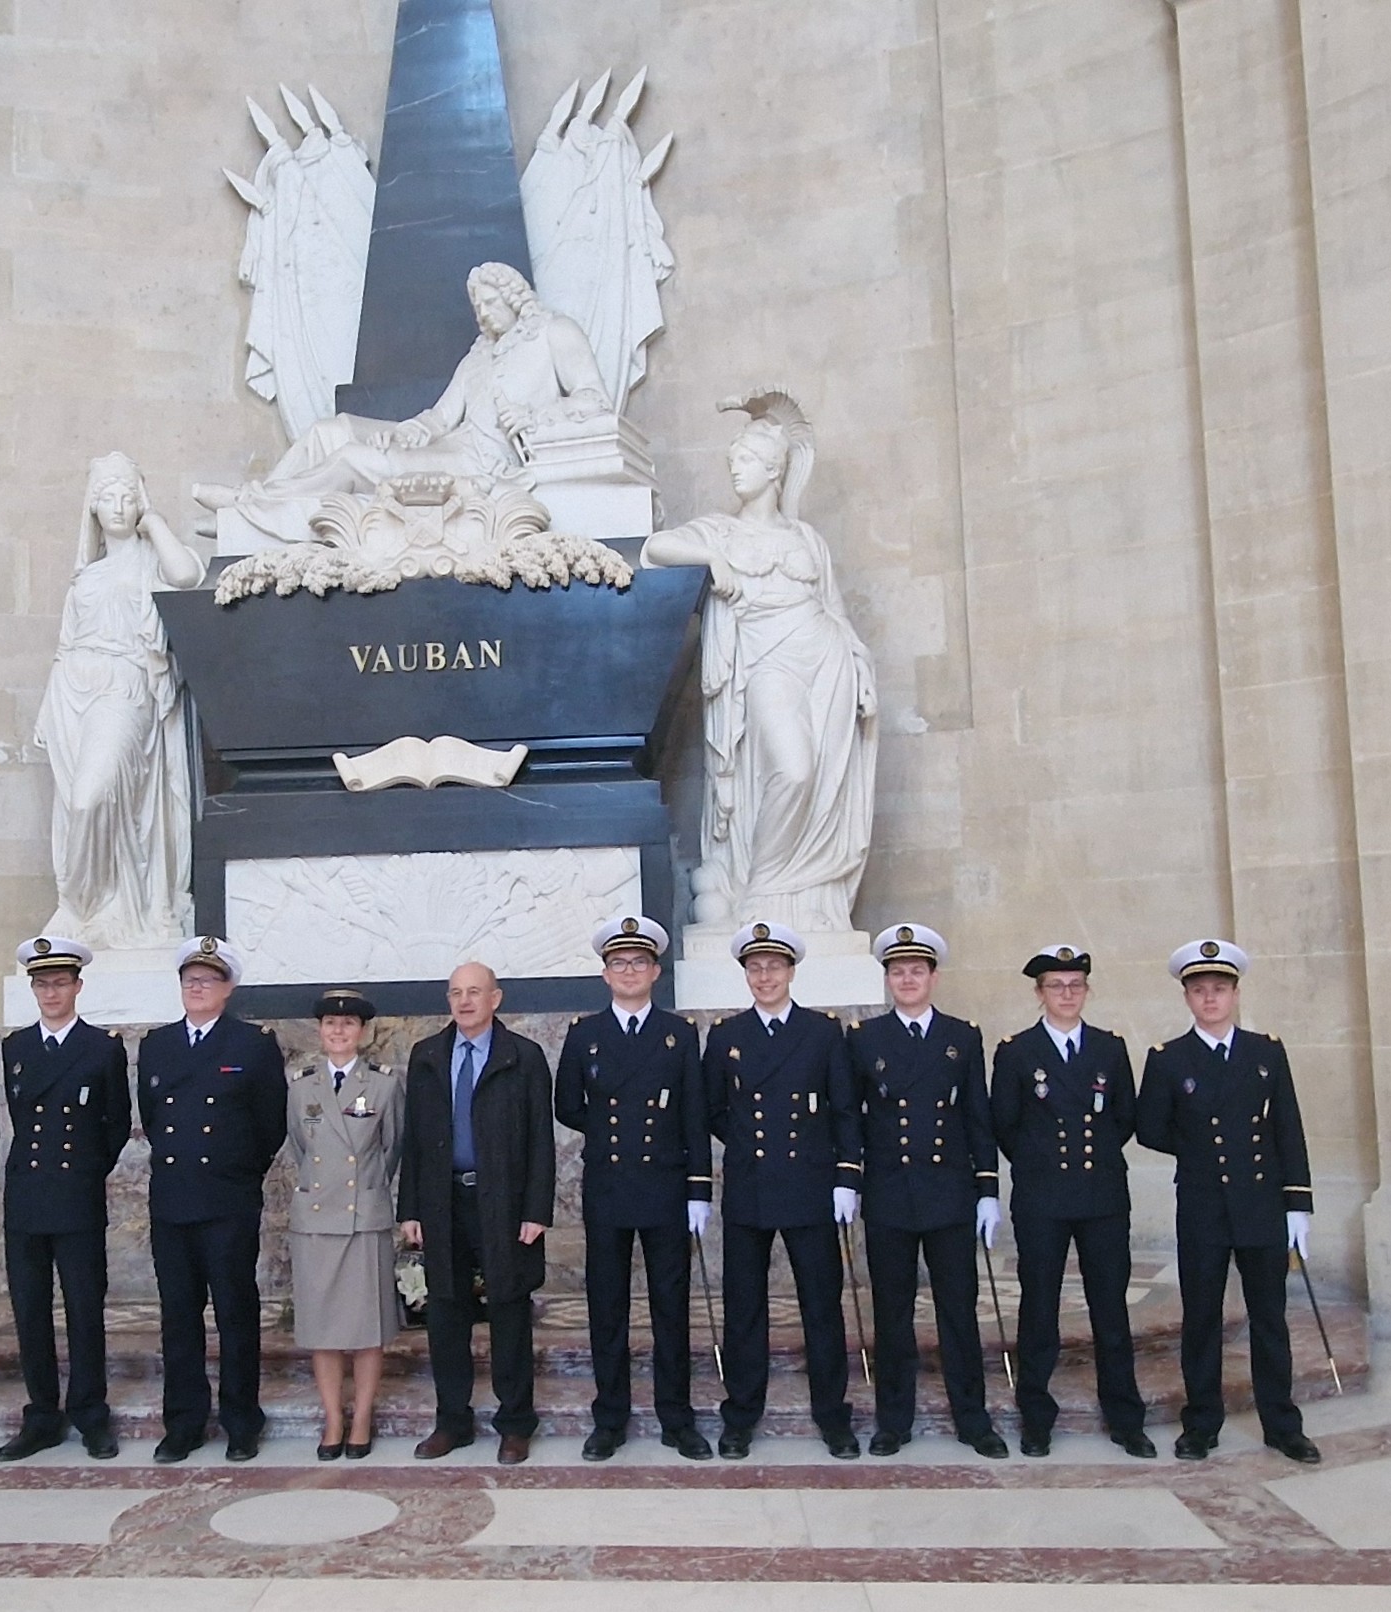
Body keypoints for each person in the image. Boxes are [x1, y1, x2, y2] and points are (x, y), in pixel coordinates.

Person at [640, 389, 877, 933]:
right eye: (732, 461)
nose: (735, 471)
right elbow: (656, 550)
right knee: (793, 771)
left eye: (745, 461)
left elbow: (835, 611)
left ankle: (805, 900)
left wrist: (860, 668)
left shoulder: (807, 540)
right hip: (766, 662)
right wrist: (711, 557)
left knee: (821, 784)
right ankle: (762, 890)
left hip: (826, 660)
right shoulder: (721, 531)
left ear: (774, 471)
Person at [193, 261, 614, 546]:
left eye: (490, 303)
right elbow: (441, 416)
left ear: (513, 296)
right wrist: (412, 430)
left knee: (352, 460)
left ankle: (249, 509)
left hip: (485, 465)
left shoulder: (554, 333)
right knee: (333, 430)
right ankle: (259, 507)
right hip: (450, 446)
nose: (483, 314)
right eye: (477, 307)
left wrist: (535, 418)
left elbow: (593, 400)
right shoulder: (479, 355)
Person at [1136, 940, 1320, 1465]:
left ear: (1235, 993)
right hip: (1202, 1206)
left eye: (1219, 989)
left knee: (1269, 1319)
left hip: (1261, 1205)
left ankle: (1282, 1424)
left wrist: (1298, 1204)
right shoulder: (1168, 1059)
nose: (1210, 998)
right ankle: (1201, 1424)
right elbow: (1149, 1128)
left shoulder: (1266, 1052)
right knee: (1201, 1320)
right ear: (1187, 998)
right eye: (1199, 990)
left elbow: (1289, 1128)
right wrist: (1199, 1149)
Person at [700, 920, 863, 1460]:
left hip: (811, 1186)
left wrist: (845, 1177)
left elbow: (844, 1109)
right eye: (754, 967)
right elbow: (714, 1112)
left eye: (773, 966)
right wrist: (747, 1143)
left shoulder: (823, 1033)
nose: (764, 976)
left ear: (792, 971)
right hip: (750, 1186)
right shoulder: (726, 1036)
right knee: (744, 1308)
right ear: (745, 974)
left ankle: (832, 1415)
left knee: (821, 1305)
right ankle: (741, 1414)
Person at [845, 923, 1007, 1458]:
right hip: (891, 1191)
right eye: (897, 971)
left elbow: (975, 1114)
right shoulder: (865, 1039)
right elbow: (852, 1117)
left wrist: (987, 1186)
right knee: (892, 1314)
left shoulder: (963, 1036)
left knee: (958, 1311)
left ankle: (973, 1418)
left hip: (950, 1193)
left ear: (933, 977)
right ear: (887, 980)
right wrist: (850, 1179)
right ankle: (894, 1419)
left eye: (916, 970)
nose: (907, 979)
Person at [31, 453, 204, 949]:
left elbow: (187, 575)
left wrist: (156, 523)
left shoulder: (152, 560)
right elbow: (66, 645)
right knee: (73, 804)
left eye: (129, 495)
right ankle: (88, 911)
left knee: (91, 795)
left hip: (126, 685)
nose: (119, 505)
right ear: (92, 506)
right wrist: (49, 706)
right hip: (73, 691)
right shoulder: (86, 576)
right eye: (108, 496)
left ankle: (79, 901)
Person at [556, 916, 713, 1461]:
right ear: (605, 974)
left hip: (666, 1186)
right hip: (609, 1186)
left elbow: (695, 1113)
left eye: (638, 963)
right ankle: (610, 1418)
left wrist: (699, 1188)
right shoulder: (584, 1034)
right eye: (618, 963)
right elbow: (568, 1105)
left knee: (671, 1306)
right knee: (608, 1308)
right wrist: (607, 1131)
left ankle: (677, 1417)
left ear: (655, 971)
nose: (629, 971)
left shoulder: (679, 1033)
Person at [989, 944, 1152, 1459]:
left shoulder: (1109, 1047)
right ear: (1039, 994)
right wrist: (1041, 1163)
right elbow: (1005, 1125)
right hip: (1042, 1197)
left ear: (1087, 990)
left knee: (1110, 1307)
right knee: (1039, 1308)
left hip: (1102, 1193)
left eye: (1075, 985)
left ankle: (1125, 1416)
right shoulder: (1016, 1052)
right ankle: (1036, 1417)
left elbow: (1124, 1117)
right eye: (1056, 986)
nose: (1066, 993)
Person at [399, 961, 557, 1466]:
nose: (465, 1001)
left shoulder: (524, 1056)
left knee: (510, 1311)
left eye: (475, 992)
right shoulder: (426, 1056)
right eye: (455, 993)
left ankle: (514, 1424)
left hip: (506, 1203)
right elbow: (415, 1142)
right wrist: (411, 1209)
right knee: (445, 1313)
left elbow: (540, 1141)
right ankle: (453, 1422)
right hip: (443, 1202)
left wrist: (536, 1209)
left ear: (496, 998)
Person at [137, 936, 287, 1463]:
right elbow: (154, 1118)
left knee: (234, 1312)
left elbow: (270, 1125)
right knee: (178, 1315)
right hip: (173, 1200)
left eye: (208, 979)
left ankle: (242, 1419)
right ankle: (183, 1421)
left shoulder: (253, 1044)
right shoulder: (156, 1046)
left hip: (227, 1199)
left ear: (228, 988)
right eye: (189, 979)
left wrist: (237, 1173)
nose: (196, 987)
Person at [0, 935, 131, 1461]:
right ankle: (42, 1415)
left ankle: (91, 1413)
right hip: (27, 1196)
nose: (50, 992)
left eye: (59, 982)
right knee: (30, 1309)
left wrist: (87, 1171)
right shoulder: (16, 1048)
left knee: (83, 1308)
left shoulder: (102, 1048)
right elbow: (20, 1117)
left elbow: (115, 1124)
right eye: (41, 983)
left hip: (76, 1195)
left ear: (77, 986)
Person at [283, 989, 405, 1460]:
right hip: (316, 1221)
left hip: (363, 1218)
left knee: (366, 1328)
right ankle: (333, 1416)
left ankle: (362, 1417)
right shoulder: (301, 1084)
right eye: (331, 1025)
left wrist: (366, 1192)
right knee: (322, 1328)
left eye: (349, 1024)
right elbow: (299, 1147)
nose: (339, 1031)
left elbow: (392, 1148)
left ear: (362, 1031)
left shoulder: (385, 1085)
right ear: (319, 1031)